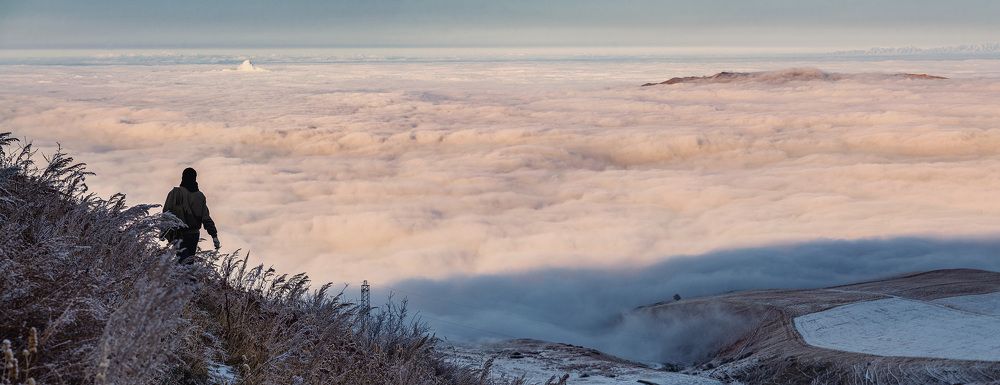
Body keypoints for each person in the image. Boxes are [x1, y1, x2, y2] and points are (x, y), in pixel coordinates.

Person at [163, 167, 220, 263]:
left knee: (182, 263)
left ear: (183, 177)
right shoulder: (200, 196)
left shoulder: (175, 193)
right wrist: (214, 236)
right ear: (195, 178)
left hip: (179, 234)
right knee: (189, 263)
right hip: (194, 235)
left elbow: (166, 213)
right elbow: (206, 218)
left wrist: (163, 231)